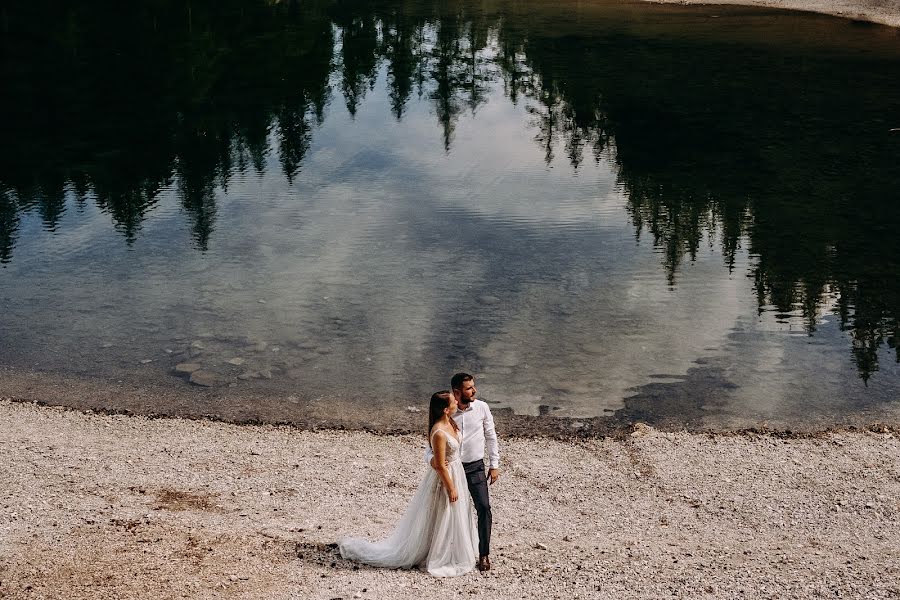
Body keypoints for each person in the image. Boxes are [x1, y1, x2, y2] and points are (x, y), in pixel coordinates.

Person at [337, 391, 478, 577]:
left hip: (456, 471)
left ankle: (456, 548)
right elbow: (440, 465)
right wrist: (450, 486)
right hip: (446, 477)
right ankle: (440, 552)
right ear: (445, 409)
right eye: (453, 401)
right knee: (444, 511)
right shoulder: (438, 432)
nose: (457, 402)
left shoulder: (451, 422)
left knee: (455, 513)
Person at [430, 372, 500, 572]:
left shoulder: (482, 408)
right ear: (457, 392)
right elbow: (433, 442)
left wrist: (494, 464)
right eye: (469, 388)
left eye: (473, 386)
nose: (474, 390)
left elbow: (491, 436)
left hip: (476, 467)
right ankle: (446, 552)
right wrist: (432, 460)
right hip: (453, 469)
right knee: (448, 512)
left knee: (484, 508)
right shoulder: (447, 412)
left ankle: (484, 554)